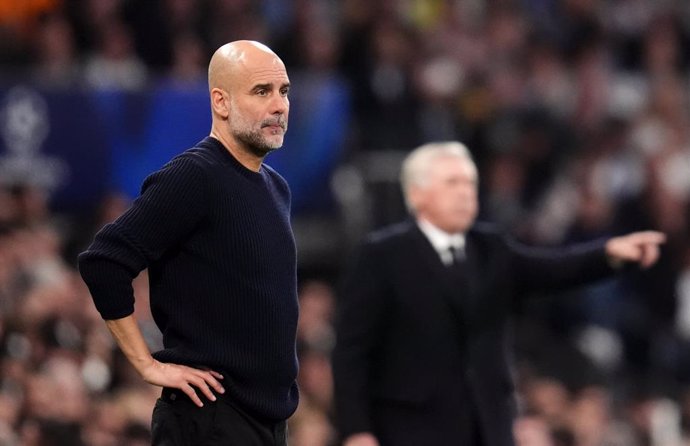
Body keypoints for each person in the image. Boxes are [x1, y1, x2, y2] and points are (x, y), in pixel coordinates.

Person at [331, 141, 666, 446]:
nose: (465, 193)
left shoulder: (490, 247)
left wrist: (608, 253)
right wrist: (357, 430)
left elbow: (551, 270)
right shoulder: (383, 255)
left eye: (470, 183)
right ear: (417, 195)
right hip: (412, 429)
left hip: (488, 426)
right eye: (453, 183)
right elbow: (351, 352)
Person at [78, 40, 296, 446]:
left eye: (284, 91)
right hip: (208, 420)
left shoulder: (276, 187)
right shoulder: (195, 175)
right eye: (261, 91)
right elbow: (103, 261)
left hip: (264, 423)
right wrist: (147, 365)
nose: (279, 105)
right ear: (221, 102)